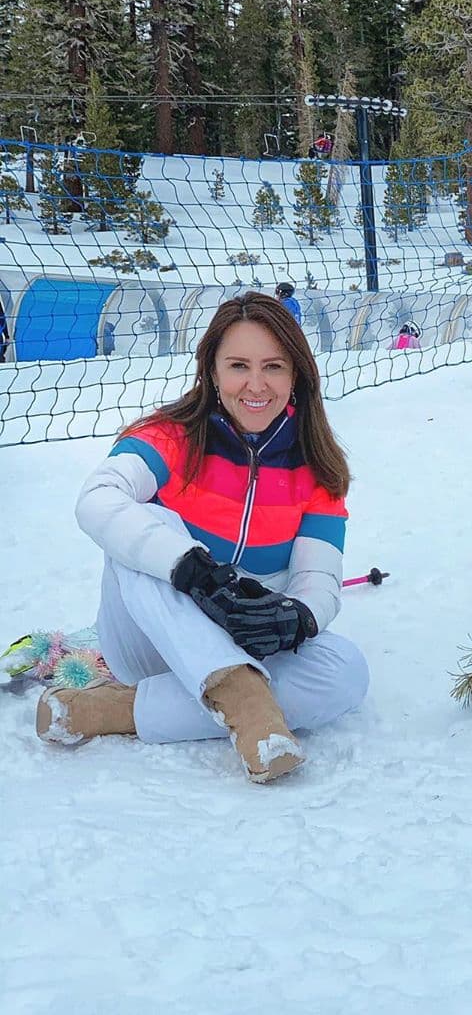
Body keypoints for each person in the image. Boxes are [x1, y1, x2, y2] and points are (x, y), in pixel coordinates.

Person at [36, 292, 369, 784]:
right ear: (212, 371)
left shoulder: (317, 469)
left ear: (296, 374)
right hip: (150, 640)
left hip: (245, 637)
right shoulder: (171, 437)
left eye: (273, 367)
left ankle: (109, 711)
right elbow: (97, 499)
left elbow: (318, 576)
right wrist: (190, 569)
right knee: (149, 520)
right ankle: (243, 699)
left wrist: (297, 617)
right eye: (238, 365)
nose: (255, 385)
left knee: (346, 671)